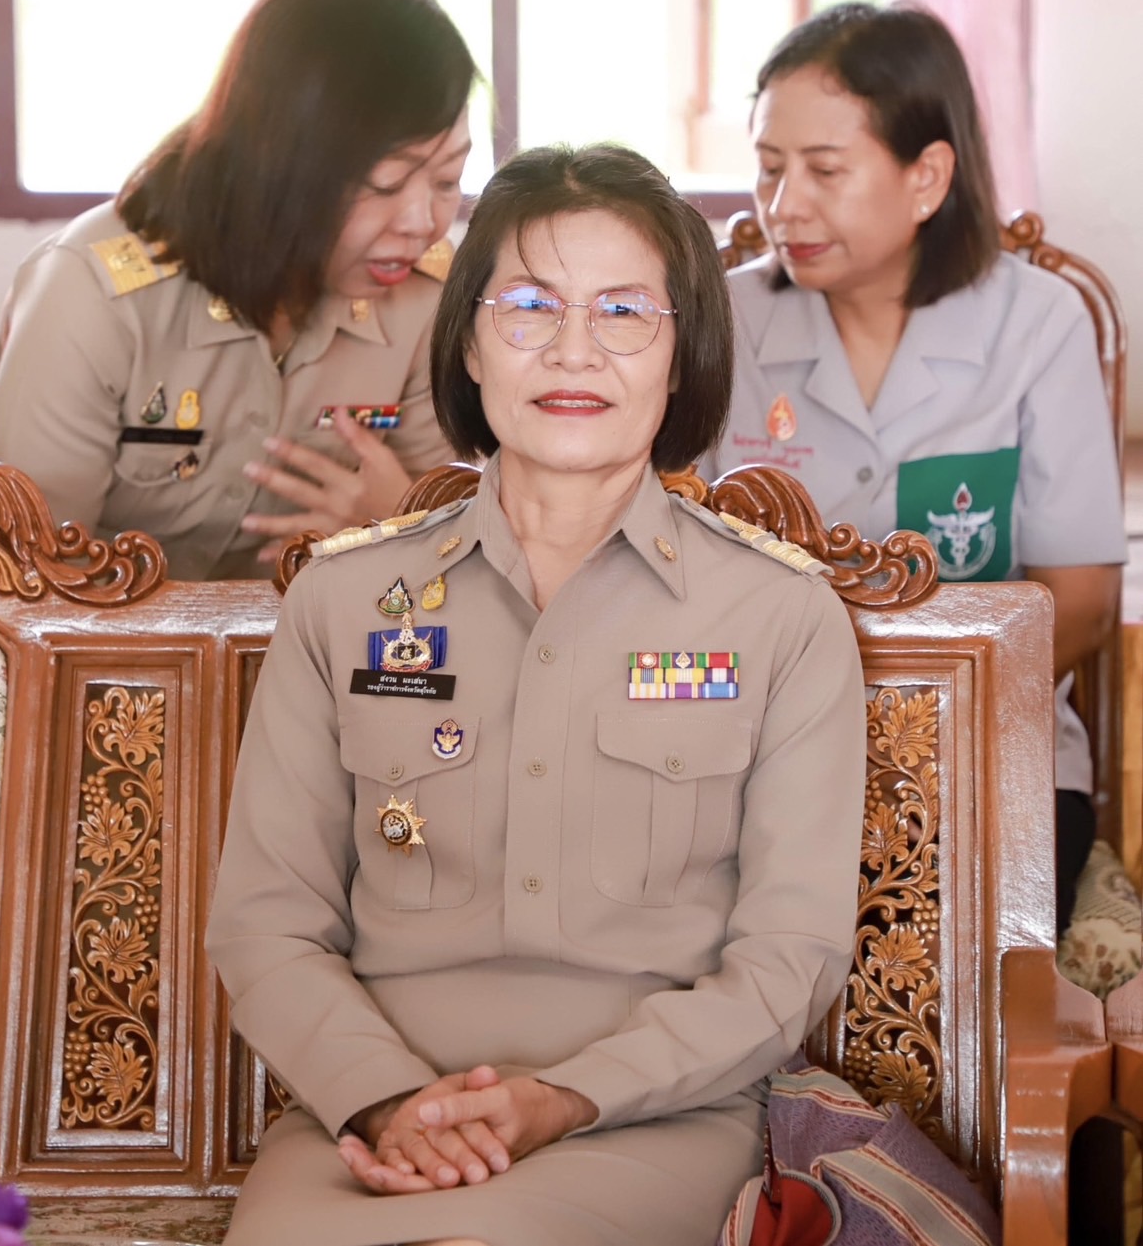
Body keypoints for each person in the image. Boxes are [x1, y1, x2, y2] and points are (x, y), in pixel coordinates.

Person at [205, 143, 867, 1246]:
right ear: (467, 339)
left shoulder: (778, 616)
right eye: (526, 305)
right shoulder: (345, 598)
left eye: (622, 311)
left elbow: (786, 959)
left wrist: (564, 1097)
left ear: (682, 347)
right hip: (369, 1122)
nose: (573, 350)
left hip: (645, 1121)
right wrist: (388, 1097)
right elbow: (267, 923)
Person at [702, 1, 1127, 935]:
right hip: (751, 756)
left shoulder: (1036, 324)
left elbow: (1083, 599)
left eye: (822, 171)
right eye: (769, 169)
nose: (782, 207)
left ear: (927, 175)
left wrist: (904, 718)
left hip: (986, 761)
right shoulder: (724, 320)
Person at [0, 0, 475, 580]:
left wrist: (402, 525)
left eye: (448, 179)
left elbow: (456, 546)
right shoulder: (92, 293)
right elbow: (27, 581)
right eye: (385, 182)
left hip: (300, 655)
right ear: (279, 160)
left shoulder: (426, 298)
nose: (424, 221)